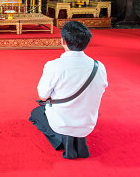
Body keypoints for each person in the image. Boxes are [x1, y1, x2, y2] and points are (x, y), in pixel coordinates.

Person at [29, 21, 108, 159]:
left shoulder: (54, 66)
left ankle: (64, 140)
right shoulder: (99, 66)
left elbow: (42, 96)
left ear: (63, 41)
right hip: (87, 123)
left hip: (61, 122)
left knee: (36, 113)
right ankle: (79, 139)